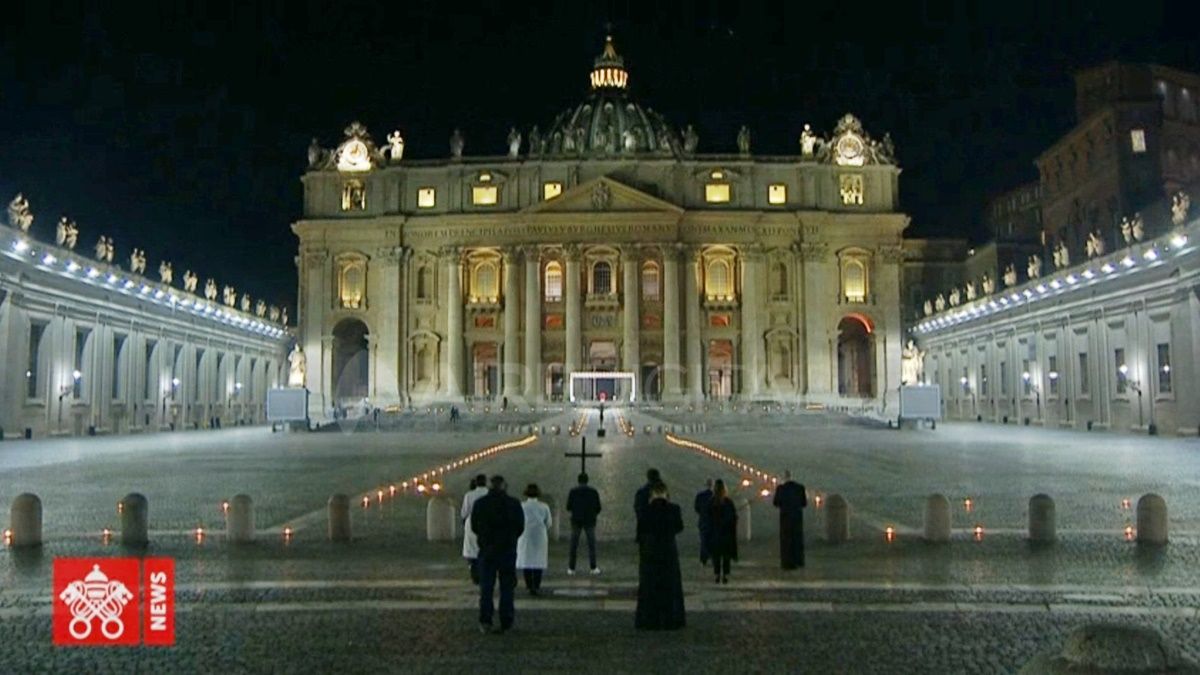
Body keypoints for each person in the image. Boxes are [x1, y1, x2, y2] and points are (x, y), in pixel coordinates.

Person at [471, 475, 525, 634]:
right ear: (504, 486)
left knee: (486, 588)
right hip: (507, 550)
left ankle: (485, 620)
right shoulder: (514, 504)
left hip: (487, 550)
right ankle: (506, 621)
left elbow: (474, 526)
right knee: (507, 588)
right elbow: (520, 526)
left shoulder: (480, 504)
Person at [635, 481, 686, 630]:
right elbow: (679, 527)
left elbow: (641, 531)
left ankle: (649, 619)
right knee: (670, 586)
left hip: (651, 552)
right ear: (665, 493)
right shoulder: (673, 509)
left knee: (650, 586)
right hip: (668, 551)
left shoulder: (645, 510)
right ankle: (671, 619)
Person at [516, 484, 552, 595]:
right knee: (538, 560)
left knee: (526, 560)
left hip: (525, 534)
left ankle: (529, 585)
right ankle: (536, 585)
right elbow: (549, 523)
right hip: (540, 534)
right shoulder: (544, 506)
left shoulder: (521, 506)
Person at [566, 472, 602, 575]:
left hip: (576, 520)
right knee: (591, 545)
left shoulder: (573, 491)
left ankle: (571, 568)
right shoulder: (593, 492)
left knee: (573, 545)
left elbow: (568, 506)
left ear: (578, 480)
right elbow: (598, 507)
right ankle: (593, 567)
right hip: (590, 520)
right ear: (587, 480)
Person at [772, 470, 808, 569]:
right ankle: (799, 560)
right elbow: (804, 503)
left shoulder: (781, 489)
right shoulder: (800, 488)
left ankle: (787, 562)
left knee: (786, 540)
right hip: (797, 517)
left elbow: (776, 503)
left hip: (785, 518)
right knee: (797, 539)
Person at [707, 479, 738, 584]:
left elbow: (707, 518)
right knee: (726, 556)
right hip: (726, 533)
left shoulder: (711, 502)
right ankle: (725, 574)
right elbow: (733, 517)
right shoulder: (728, 502)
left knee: (716, 556)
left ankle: (717, 574)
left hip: (715, 533)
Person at [460, 474, 489, 584]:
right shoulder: (488, 493)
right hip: (487, 523)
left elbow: (464, 512)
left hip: (472, 522)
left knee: (472, 551)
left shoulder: (469, 495)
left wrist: (464, 521)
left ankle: (475, 575)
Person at [633, 468, 662, 540]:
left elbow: (639, 509)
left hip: (647, 528)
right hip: (662, 529)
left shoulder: (643, 491)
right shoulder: (662, 490)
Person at [693, 479, 714, 565]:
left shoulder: (700, 496)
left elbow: (696, 508)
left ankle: (703, 559)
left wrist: (702, 514)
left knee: (704, 540)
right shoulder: (716, 496)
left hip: (703, 520)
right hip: (714, 521)